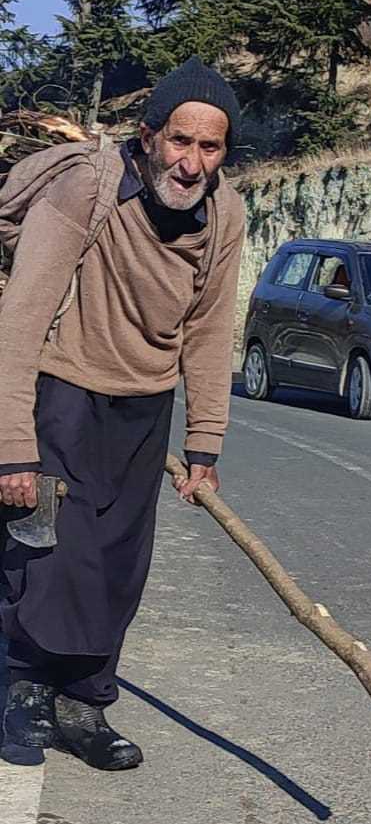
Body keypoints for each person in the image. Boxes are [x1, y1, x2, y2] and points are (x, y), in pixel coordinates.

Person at [0, 56, 245, 771]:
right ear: (149, 137)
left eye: (209, 147)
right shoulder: (88, 188)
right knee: (49, 552)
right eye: (180, 141)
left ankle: (85, 703)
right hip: (63, 391)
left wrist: (204, 441)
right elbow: (21, 318)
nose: (192, 163)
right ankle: (24, 691)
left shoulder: (224, 213)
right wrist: (13, 444)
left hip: (145, 405)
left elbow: (209, 329)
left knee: (117, 562)